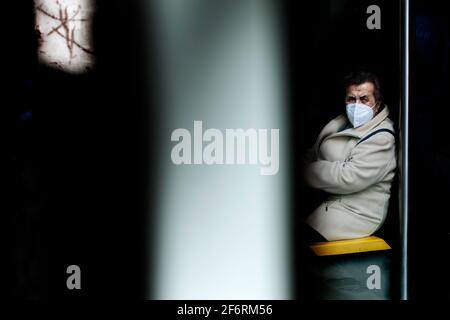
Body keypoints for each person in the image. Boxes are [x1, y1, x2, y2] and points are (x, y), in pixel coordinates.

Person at [303, 71, 397, 241]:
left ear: (377, 104)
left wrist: (306, 171)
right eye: (351, 99)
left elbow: (348, 176)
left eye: (364, 99)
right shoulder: (341, 122)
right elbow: (312, 153)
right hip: (325, 202)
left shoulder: (382, 137)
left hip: (353, 214)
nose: (356, 105)